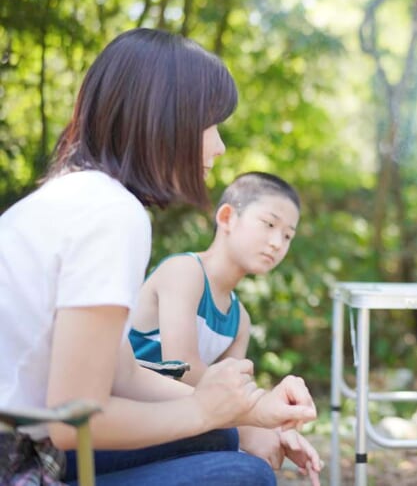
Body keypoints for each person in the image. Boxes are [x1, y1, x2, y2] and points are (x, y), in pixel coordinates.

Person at [0, 28, 318, 486]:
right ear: (166, 120)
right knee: (243, 475)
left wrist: (249, 412)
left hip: (28, 440)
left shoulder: (78, 195)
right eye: (211, 125)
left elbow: (123, 373)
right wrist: (201, 410)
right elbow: (71, 421)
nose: (219, 146)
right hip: (20, 463)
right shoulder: (112, 214)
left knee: (224, 438)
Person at [129, 172, 321, 482]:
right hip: (128, 414)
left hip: (173, 420)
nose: (276, 243)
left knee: (243, 451)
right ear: (228, 217)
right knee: (232, 442)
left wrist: (276, 431)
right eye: (269, 225)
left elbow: (231, 396)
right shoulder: (185, 271)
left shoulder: (239, 319)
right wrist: (257, 415)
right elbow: (184, 369)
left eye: (288, 236)